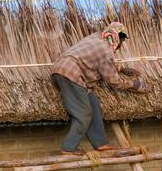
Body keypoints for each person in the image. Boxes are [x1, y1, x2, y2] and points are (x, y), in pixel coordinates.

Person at [51, 21, 148, 156]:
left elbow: (93, 60)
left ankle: (100, 143)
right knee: (84, 113)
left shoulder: (97, 37)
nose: (121, 44)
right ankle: (68, 147)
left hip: (62, 69)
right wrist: (134, 85)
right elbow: (113, 81)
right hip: (71, 74)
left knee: (93, 103)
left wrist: (121, 69)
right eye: (122, 40)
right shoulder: (106, 51)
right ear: (117, 37)